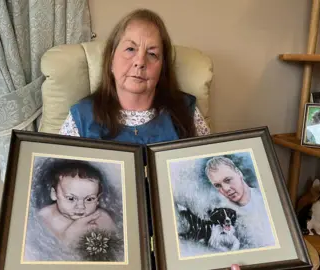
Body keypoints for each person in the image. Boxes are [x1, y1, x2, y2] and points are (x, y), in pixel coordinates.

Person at [59, 8, 241, 269]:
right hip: (105, 248)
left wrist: (224, 256)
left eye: (152, 54)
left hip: (175, 245)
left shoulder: (186, 113)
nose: (140, 61)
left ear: (162, 68)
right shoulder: (81, 117)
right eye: (130, 49)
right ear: (111, 58)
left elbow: (209, 186)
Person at [24, 159, 121, 262]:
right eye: (71, 198)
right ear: (54, 194)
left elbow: (117, 251)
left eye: (89, 199)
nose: (80, 207)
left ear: (98, 199)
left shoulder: (101, 218)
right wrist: (69, 236)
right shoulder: (42, 218)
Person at [205, 156, 276, 249]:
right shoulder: (220, 213)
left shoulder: (267, 198)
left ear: (239, 173)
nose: (225, 189)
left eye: (228, 180)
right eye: (218, 185)